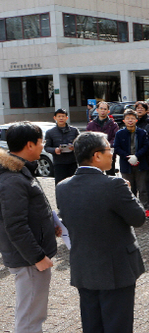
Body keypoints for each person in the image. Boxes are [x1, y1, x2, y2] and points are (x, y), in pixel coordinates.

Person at [56, 132, 146, 333]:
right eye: (108, 150)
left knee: (91, 323)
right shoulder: (114, 185)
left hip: (83, 266)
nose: (112, 154)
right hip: (116, 268)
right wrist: (128, 192)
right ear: (96, 155)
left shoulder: (62, 186)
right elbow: (138, 218)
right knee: (117, 324)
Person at [0, 122, 60, 333]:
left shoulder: (18, 170)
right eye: (40, 142)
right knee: (30, 316)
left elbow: (29, 211)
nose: (43, 146)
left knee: (32, 312)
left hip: (30, 256)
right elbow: (15, 225)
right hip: (29, 260)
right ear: (29, 144)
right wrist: (37, 257)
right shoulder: (12, 179)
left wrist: (50, 223)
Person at [114, 109, 149, 219]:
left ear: (136, 120)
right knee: (129, 189)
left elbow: (146, 146)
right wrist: (128, 157)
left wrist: (137, 156)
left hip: (141, 164)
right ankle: (131, 210)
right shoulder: (120, 133)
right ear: (124, 120)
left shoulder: (142, 132)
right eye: (128, 118)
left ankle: (145, 208)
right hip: (126, 165)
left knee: (143, 188)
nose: (130, 121)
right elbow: (116, 148)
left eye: (132, 118)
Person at [44, 108, 80, 185]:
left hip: (72, 162)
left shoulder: (74, 131)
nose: (61, 118)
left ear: (67, 118)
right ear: (55, 118)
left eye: (63, 116)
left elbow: (80, 144)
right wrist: (55, 150)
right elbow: (47, 147)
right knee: (60, 185)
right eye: (59, 116)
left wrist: (74, 147)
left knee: (74, 184)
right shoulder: (50, 132)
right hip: (59, 163)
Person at [86, 101, 119, 176]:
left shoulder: (113, 125)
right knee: (95, 176)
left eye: (105, 109)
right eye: (101, 108)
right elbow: (88, 138)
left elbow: (116, 138)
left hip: (108, 154)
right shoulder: (91, 124)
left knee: (110, 176)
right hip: (95, 154)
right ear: (97, 110)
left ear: (108, 111)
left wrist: (106, 146)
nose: (103, 111)